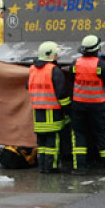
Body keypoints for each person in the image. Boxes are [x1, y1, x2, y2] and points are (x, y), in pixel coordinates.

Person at [71, 35, 105, 174]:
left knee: (79, 135)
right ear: (97, 49)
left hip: (78, 105)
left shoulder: (76, 63)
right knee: (102, 135)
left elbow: (73, 79)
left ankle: (80, 168)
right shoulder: (101, 64)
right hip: (97, 105)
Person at [28, 41, 71, 173]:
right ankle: (51, 167)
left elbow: (27, 86)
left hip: (38, 114)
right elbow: (61, 94)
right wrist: (69, 110)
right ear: (51, 55)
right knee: (53, 142)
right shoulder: (54, 71)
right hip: (52, 113)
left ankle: (42, 166)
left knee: (42, 143)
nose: (57, 56)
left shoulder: (32, 70)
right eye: (56, 54)